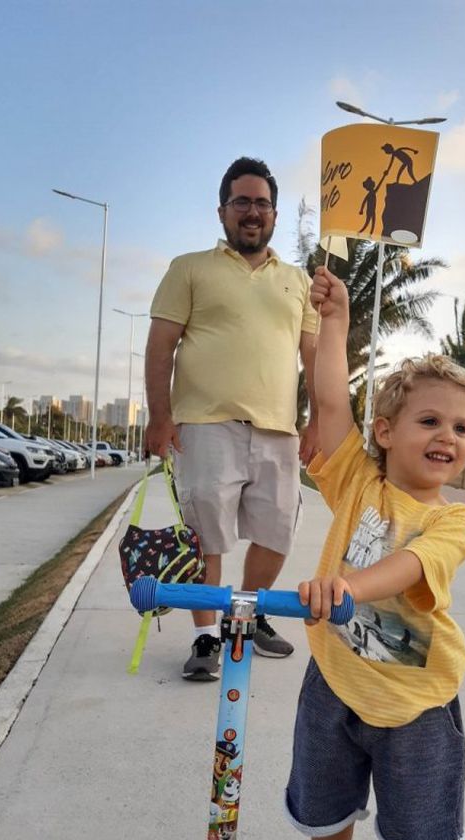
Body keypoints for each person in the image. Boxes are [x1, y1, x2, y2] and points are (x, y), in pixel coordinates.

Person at [284, 266, 465, 840]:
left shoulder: (453, 519)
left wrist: (346, 585)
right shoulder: (355, 480)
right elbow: (331, 399)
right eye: (430, 420)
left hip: (418, 697)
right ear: (386, 431)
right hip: (336, 679)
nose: (448, 436)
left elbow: (411, 567)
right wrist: (335, 322)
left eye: (462, 427)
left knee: (420, 817)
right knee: (325, 797)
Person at [144, 157, 318, 681]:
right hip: (205, 425)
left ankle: (247, 615)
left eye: (261, 203)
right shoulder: (189, 268)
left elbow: (315, 357)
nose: (252, 212)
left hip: (278, 431)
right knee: (207, 537)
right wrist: (160, 417)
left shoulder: (299, 281)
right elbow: (160, 348)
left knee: (277, 532)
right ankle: (204, 636)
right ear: (222, 211)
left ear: (274, 214)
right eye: (241, 202)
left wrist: (318, 423)